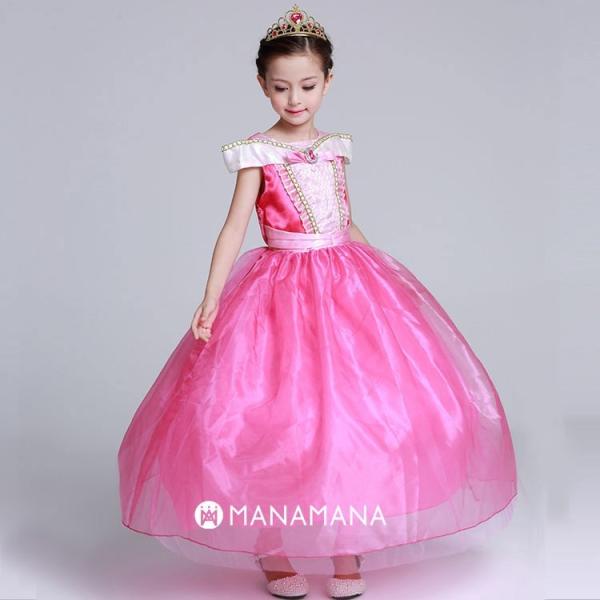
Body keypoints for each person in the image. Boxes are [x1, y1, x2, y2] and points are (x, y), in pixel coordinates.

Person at [117, 4, 518, 599]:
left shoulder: (335, 149)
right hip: (278, 292)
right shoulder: (257, 153)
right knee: (277, 416)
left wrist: (386, 279)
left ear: (328, 82)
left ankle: (344, 541)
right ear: (262, 85)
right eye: (281, 87)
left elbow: (344, 219)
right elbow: (234, 228)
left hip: (343, 283)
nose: (295, 98)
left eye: (307, 86)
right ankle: (272, 544)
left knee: (351, 414)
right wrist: (210, 298)